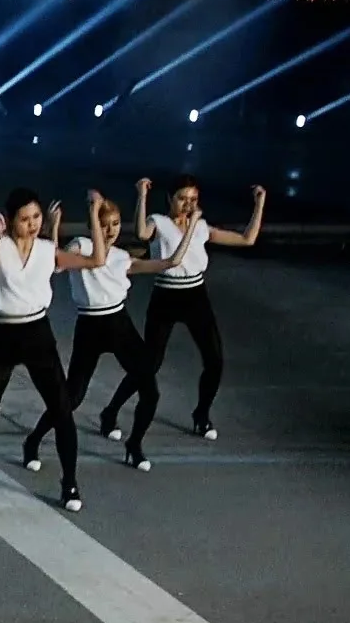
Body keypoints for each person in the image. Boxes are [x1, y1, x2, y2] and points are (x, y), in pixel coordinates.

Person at [0, 187, 113, 512]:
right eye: (25, 219)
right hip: (1, 334)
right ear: (12, 221)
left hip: (37, 333)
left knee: (62, 410)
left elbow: (97, 259)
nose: (33, 223)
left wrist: (94, 213)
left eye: (36, 217)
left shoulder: (47, 250)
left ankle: (70, 483)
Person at [21, 194, 198, 472]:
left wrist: (193, 225)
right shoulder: (82, 246)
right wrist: (55, 227)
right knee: (72, 397)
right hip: (90, 326)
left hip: (119, 323)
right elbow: (56, 263)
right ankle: (33, 441)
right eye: (104, 224)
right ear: (93, 225)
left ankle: (134, 444)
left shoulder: (122, 257)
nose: (110, 230)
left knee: (150, 390)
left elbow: (171, 262)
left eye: (115, 224)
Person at [97, 175, 265, 441]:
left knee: (215, 360)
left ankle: (202, 414)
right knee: (149, 364)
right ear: (170, 199)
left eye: (193, 199)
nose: (188, 204)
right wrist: (142, 195)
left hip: (195, 296)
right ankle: (110, 412)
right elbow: (141, 233)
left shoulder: (201, 227)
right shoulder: (158, 222)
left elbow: (247, 239)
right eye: (182, 198)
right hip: (165, 296)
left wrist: (259, 204)